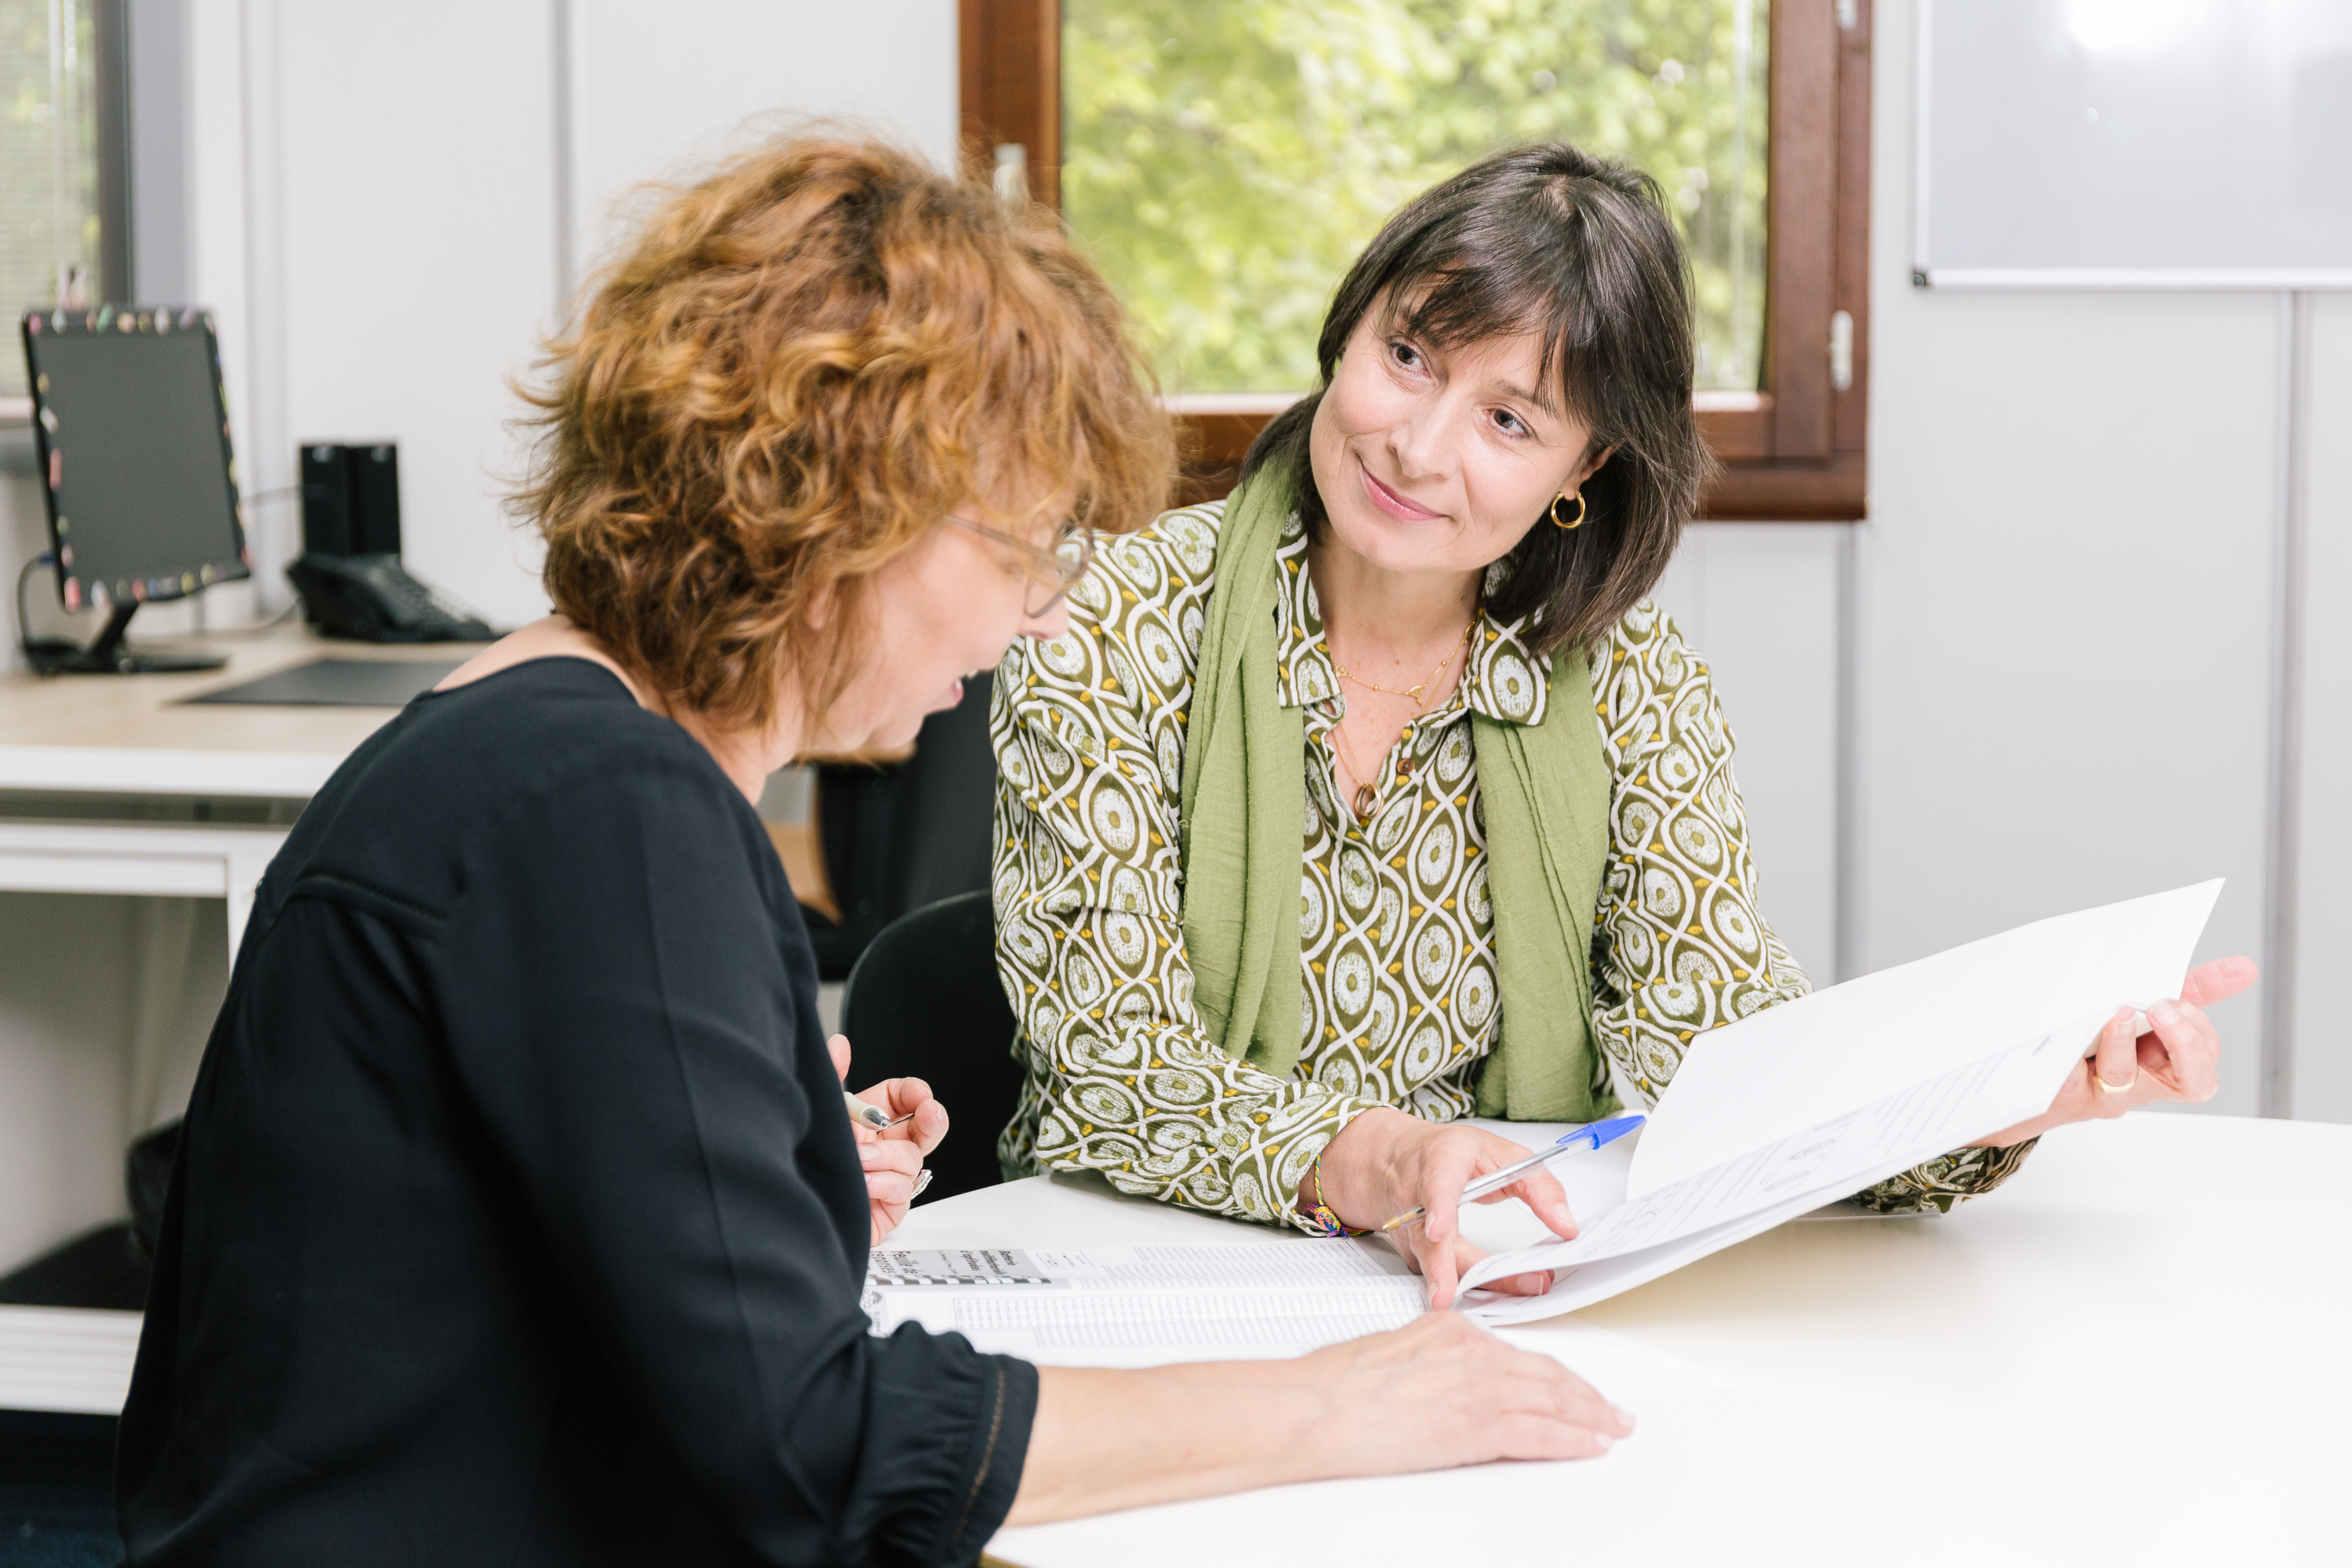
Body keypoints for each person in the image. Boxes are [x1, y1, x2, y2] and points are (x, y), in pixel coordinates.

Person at [114, 138, 1632, 1568]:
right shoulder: (614, 808)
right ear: (843, 514)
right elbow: (813, 1445)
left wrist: (767, 1175)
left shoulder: (516, 725)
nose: (1040, 614)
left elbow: (472, 1226)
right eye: (1023, 545)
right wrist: (1338, 1404)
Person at [989, 141, 2254, 1308]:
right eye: (1409, 357)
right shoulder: (1104, 622)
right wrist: (1381, 1156)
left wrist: (2008, 1095)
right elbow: (1109, 1067)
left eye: (1509, 421)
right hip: (1149, 1284)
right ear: (1348, 325)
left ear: (1581, 474)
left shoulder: (1630, 683)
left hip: (1499, 1288)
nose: (1419, 447)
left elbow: (1737, 1063)